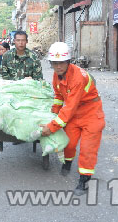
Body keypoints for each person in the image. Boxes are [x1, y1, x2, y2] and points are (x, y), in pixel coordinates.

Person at [40, 42, 105, 196]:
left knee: (88, 148)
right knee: (69, 143)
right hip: (74, 113)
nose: (58, 66)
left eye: (61, 63)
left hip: (91, 112)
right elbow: (58, 96)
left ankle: (84, 180)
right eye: (54, 63)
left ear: (68, 61)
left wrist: (52, 126)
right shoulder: (57, 76)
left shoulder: (77, 78)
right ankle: (68, 163)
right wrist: (54, 112)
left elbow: (69, 108)